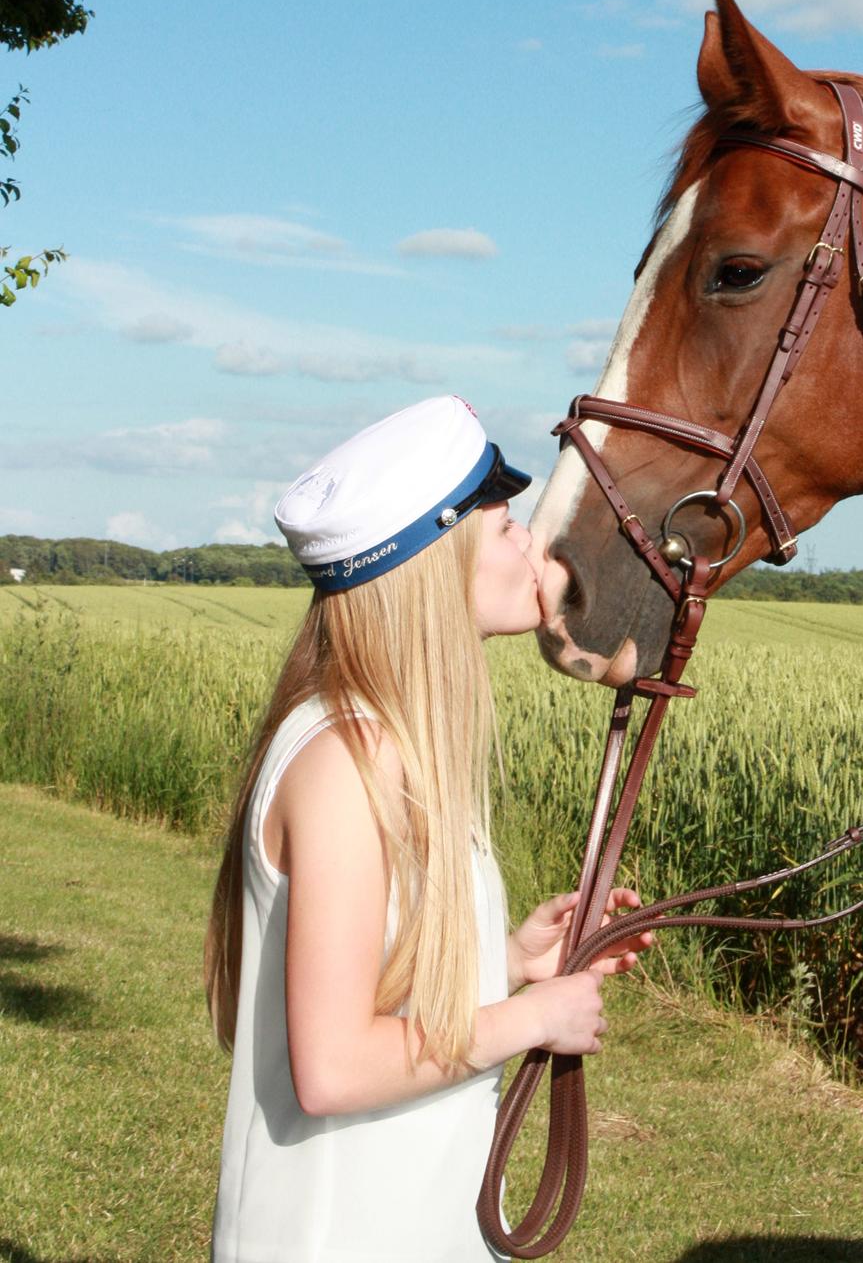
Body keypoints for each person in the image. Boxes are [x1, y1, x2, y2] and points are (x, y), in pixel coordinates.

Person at [204, 395, 651, 1262]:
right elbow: (333, 1066)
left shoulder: (389, 742)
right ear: (436, 561)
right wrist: (531, 1018)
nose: (532, 544)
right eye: (508, 525)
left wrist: (509, 959)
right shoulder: (348, 761)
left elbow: (372, 969)